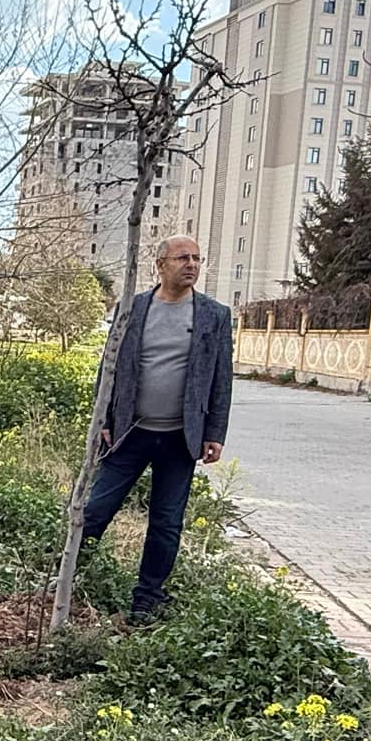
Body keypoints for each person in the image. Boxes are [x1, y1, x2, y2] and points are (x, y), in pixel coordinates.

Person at [80, 236, 234, 622]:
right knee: (96, 510)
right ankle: (70, 577)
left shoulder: (214, 316)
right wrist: (103, 420)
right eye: (183, 257)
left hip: (180, 438)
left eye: (198, 258)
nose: (192, 265)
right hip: (128, 433)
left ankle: (147, 598)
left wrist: (214, 432)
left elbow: (221, 378)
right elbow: (109, 367)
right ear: (161, 263)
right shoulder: (132, 309)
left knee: (166, 523)